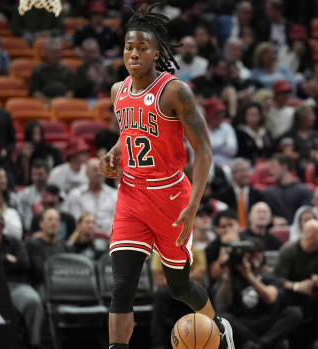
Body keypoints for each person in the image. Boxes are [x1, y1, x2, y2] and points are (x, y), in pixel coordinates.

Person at [98, 6, 235, 349]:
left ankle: (218, 328)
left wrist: (194, 204)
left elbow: (203, 151)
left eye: (141, 48)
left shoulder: (175, 91)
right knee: (122, 286)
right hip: (130, 196)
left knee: (177, 287)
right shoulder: (118, 91)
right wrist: (115, 152)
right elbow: (130, 131)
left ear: (156, 51)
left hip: (170, 197)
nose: (133, 53)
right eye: (129, 47)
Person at [215, 240, 302, 349]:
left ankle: (260, 345)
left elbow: (270, 298)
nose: (254, 259)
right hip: (242, 324)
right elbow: (221, 305)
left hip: (266, 321)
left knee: (294, 312)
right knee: (222, 318)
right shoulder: (230, 279)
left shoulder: (268, 277)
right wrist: (226, 278)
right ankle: (261, 344)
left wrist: (249, 275)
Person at [0, 208, 44, 349]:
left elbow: (24, 264)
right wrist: (6, 259)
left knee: (33, 300)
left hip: (15, 285)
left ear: (1, 226)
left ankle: (35, 343)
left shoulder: (15, 242)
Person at [273, 220, 318, 349]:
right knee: (281, 294)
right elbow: (278, 279)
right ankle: (283, 338)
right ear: (309, 236)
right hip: (291, 289)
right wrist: (296, 286)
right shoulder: (288, 250)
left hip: (311, 288)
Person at [64, 158, 117, 236]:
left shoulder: (115, 195)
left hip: (110, 239)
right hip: (83, 239)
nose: (99, 173)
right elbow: (75, 221)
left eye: (101, 169)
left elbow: (119, 222)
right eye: (95, 170)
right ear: (86, 173)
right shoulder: (76, 195)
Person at [214, 158, 263, 230]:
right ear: (233, 174)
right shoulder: (222, 195)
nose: (245, 174)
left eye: (247, 170)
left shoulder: (258, 195)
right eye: (242, 170)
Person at [262, 154, 312, 223]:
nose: (271, 171)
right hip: (275, 231)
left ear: (284, 167)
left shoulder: (303, 191)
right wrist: (273, 219)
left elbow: (307, 216)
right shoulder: (268, 192)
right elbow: (265, 214)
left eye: (274, 167)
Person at [25, 208, 65, 287]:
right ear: (41, 224)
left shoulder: (65, 246)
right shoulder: (33, 245)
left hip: (63, 285)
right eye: (50, 219)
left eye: (57, 220)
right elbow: (40, 272)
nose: (54, 223)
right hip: (40, 286)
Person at [15, 121, 63, 185]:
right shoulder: (23, 155)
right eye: (34, 134)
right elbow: (23, 182)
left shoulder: (52, 151)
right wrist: (26, 160)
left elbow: (60, 171)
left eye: (39, 133)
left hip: (51, 185)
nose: (37, 137)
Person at [203, 98, 237, 167]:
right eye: (217, 113)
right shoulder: (202, 129)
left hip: (227, 165)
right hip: (207, 167)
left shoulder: (227, 127)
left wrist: (212, 147)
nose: (221, 116)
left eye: (222, 113)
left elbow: (232, 150)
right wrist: (222, 144)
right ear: (210, 114)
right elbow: (203, 151)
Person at [15, 159, 49, 228]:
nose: (37, 178)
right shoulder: (23, 195)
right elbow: (19, 215)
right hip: (29, 231)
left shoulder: (56, 193)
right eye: (34, 174)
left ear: (47, 174)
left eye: (40, 174)